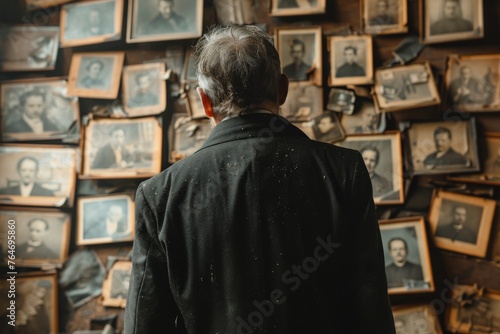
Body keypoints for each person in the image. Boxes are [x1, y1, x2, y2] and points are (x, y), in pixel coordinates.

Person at [125, 25, 395, 333]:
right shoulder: (345, 171)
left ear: (205, 102)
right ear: (282, 89)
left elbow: (144, 326)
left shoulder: (159, 194)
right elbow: (371, 309)